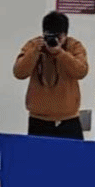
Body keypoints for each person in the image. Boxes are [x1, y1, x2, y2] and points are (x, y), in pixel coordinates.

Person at [13, 11, 89, 139]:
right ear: (43, 33)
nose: (54, 40)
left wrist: (60, 53)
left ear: (65, 34)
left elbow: (81, 72)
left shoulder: (74, 46)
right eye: (50, 36)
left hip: (69, 119)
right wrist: (34, 52)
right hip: (39, 120)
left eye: (59, 37)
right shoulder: (34, 45)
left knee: (73, 153)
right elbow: (19, 73)